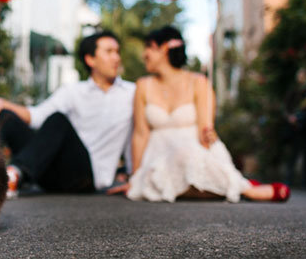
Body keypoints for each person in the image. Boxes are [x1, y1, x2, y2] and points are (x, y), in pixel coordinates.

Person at [109, 26, 289, 202]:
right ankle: (238, 188)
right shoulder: (143, 85)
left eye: (148, 48)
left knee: (188, 156)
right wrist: (135, 177)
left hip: (193, 151)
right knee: (168, 169)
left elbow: (205, 130)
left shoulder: (199, 82)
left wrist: (214, 158)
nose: (144, 55)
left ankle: (234, 184)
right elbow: (140, 134)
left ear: (164, 49)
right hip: (158, 156)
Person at [0, 31, 135, 197]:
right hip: (53, 173)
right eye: (109, 51)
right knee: (5, 115)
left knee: (59, 120)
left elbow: (139, 136)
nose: (117, 58)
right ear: (90, 59)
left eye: (117, 51)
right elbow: (37, 116)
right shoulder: (73, 91)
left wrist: (134, 178)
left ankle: (12, 175)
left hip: (87, 178)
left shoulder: (131, 93)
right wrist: (1, 103)